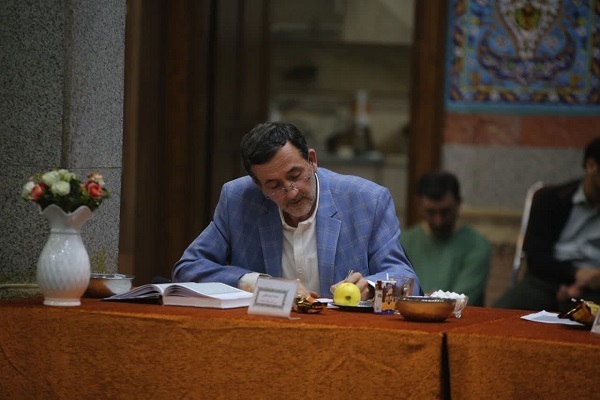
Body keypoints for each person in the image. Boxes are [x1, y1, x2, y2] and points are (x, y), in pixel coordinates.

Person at [173, 121, 420, 300]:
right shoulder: (238, 200)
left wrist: (371, 287)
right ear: (258, 185)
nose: (291, 192)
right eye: (274, 186)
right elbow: (187, 269)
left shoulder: (367, 200)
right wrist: (257, 283)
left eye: (295, 175)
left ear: (312, 160)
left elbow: (408, 281)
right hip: (267, 335)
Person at [494, 137, 600, 312]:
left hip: (596, 286)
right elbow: (536, 257)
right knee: (501, 313)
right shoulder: (551, 199)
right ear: (591, 166)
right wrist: (575, 273)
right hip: (548, 279)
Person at [400, 171, 491, 306]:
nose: (438, 221)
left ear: (458, 203)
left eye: (445, 212)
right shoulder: (404, 241)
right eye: (431, 212)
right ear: (419, 205)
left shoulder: (477, 245)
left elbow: (461, 300)